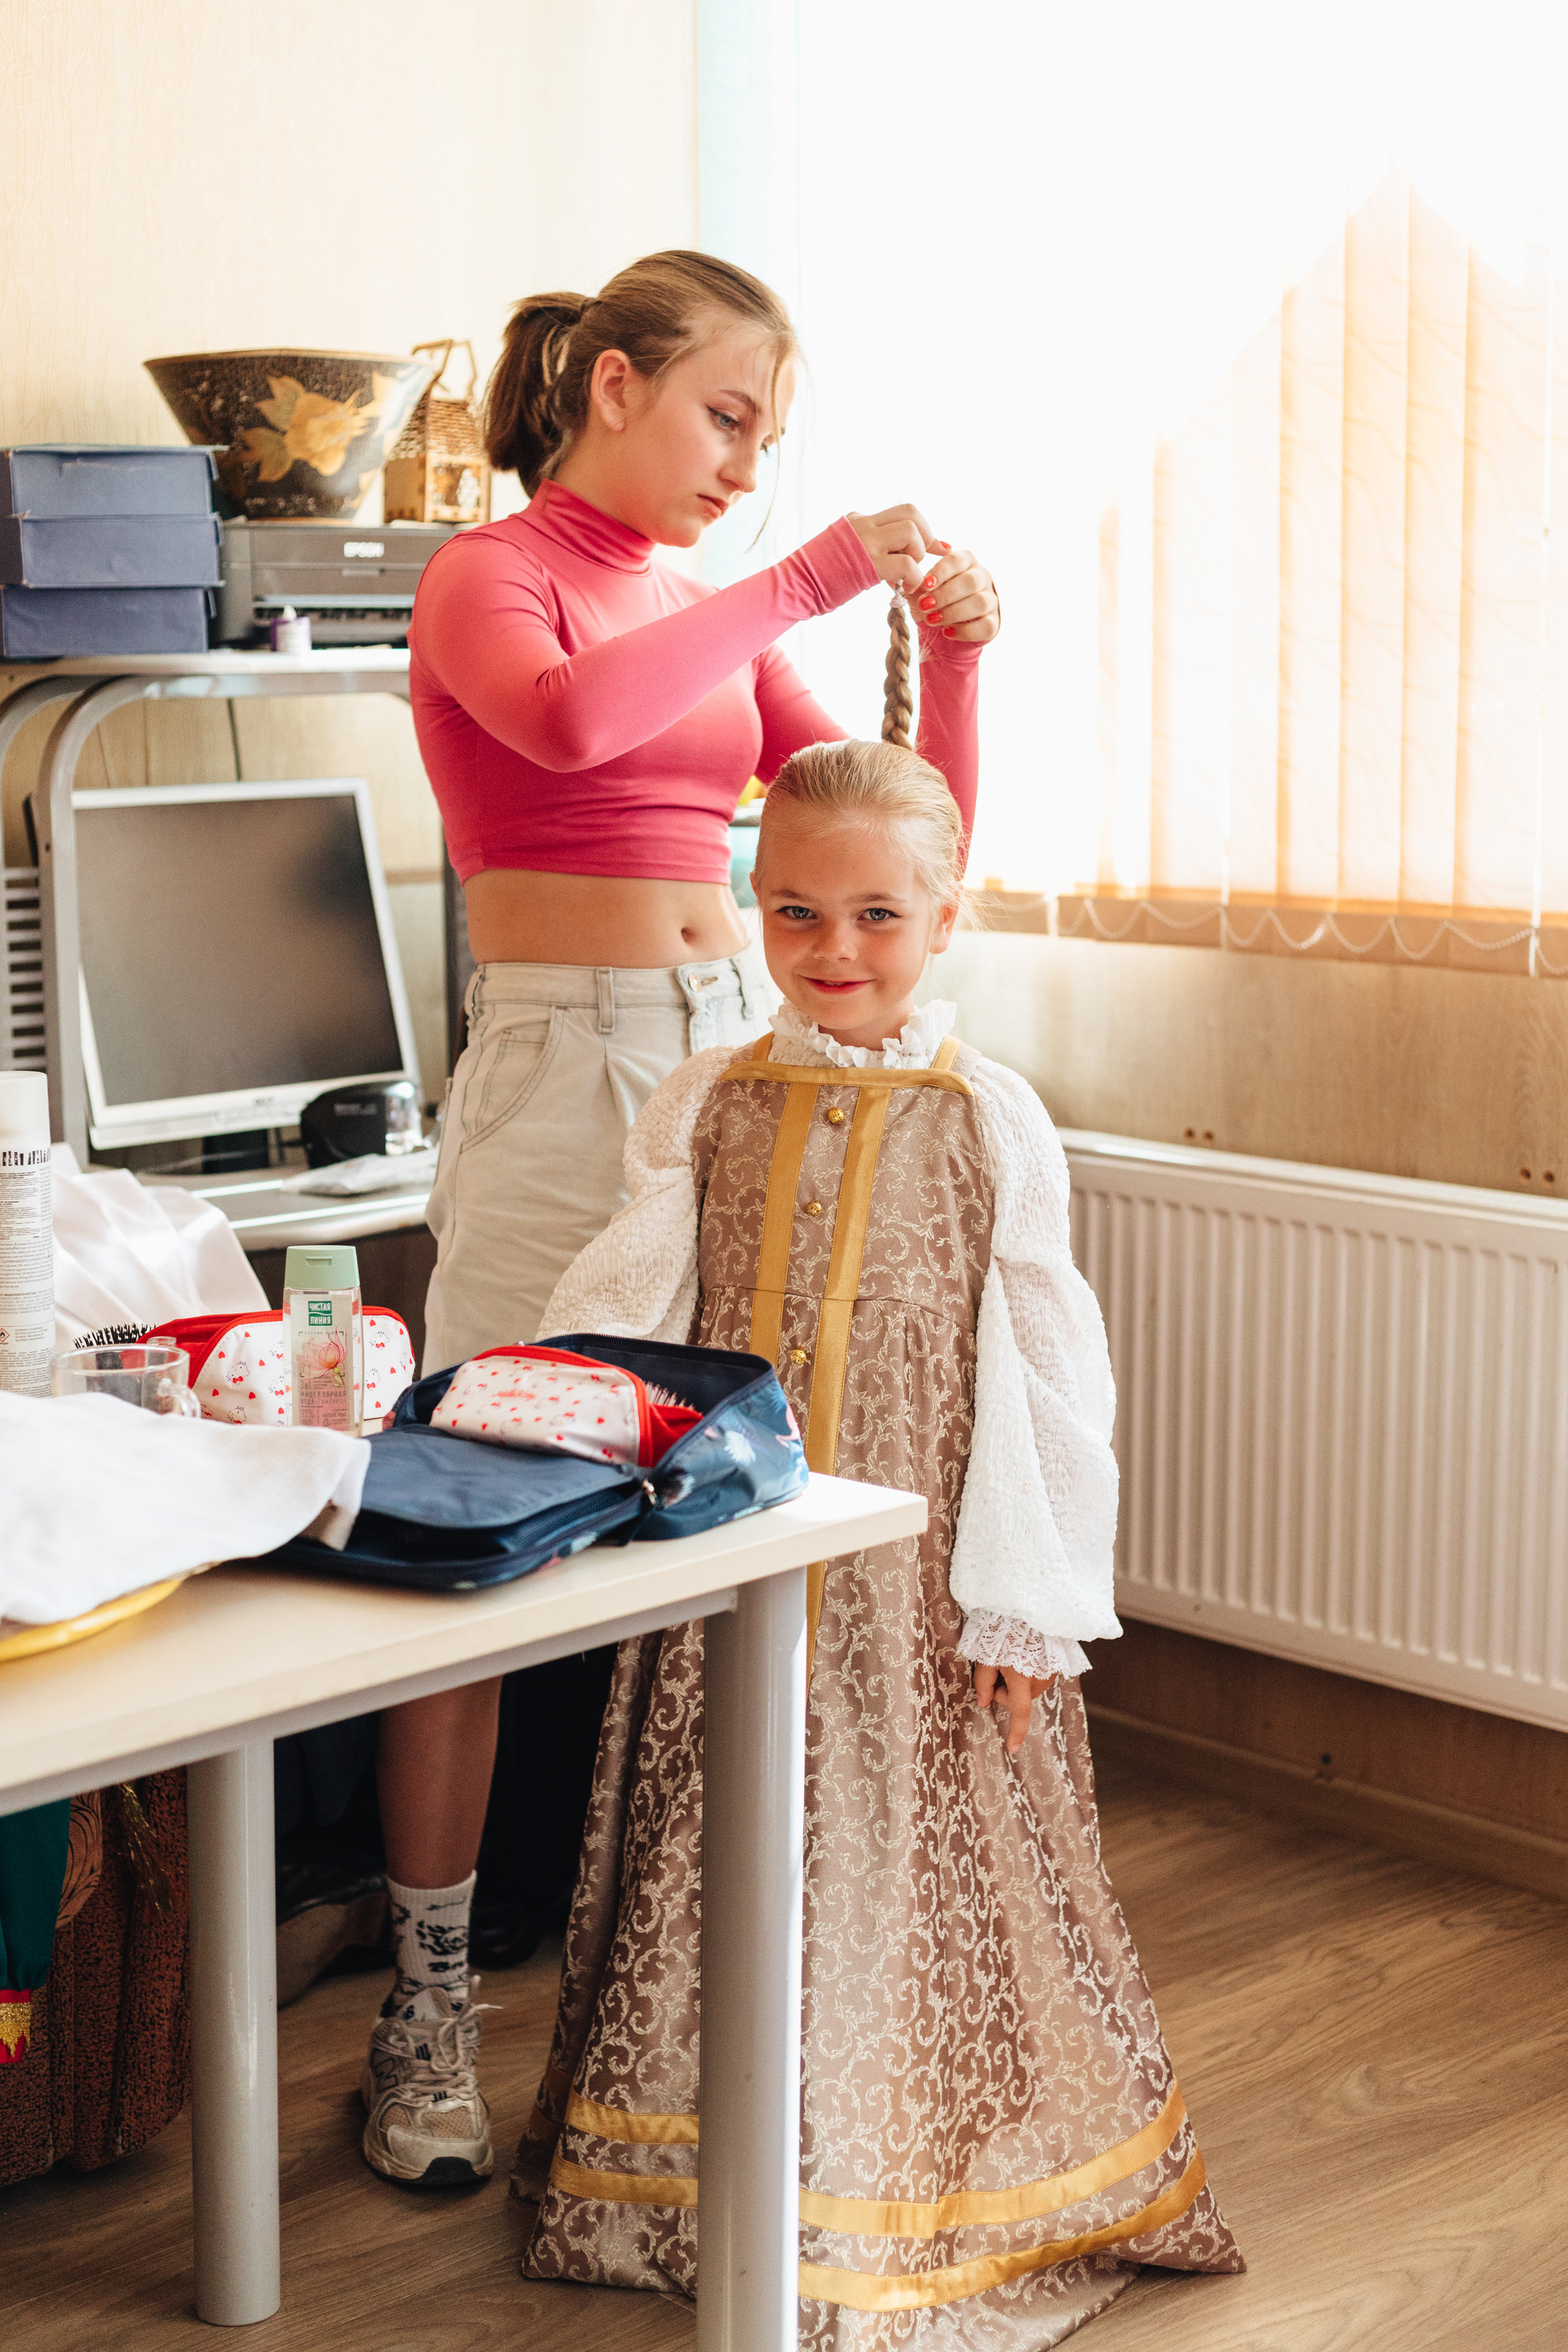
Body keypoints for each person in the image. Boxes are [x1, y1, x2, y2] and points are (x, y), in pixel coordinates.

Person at [363, 250, 1001, 2187]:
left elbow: (887, 835)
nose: (746, 463)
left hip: (733, 1055)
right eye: (728, 416)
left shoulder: (710, 612)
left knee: (728, 1501)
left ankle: (697, 1989)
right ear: (618, 385)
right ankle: (427, 2007)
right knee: (452, 1529)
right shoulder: (500, 575)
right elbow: (559, 733)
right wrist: (805, 573)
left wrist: (954, 655)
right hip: (563, 1071)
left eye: (771, 438)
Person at [514, 741, 1243, 2340]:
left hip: (920, 1585)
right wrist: (547, 1448)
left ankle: (892, 2169)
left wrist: (1026, 1607)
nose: (834, 951)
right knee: (727, 1841)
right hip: (739, 1549)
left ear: (947, 916)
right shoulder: (708, 1097)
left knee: (899, 1850)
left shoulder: (992, 1119)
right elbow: (630, 1306)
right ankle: (703, 2171)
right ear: (750, 911)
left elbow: (1052, 1375)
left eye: (876, 918)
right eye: (796, 913)